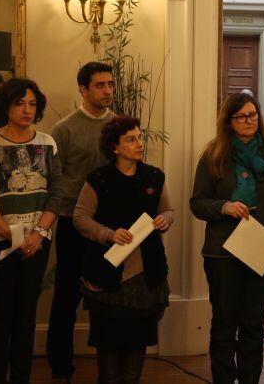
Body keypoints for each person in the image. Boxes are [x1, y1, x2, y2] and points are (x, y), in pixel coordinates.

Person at [190, 93, 264, 384]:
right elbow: (197, 203)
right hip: (223, 255)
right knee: (224, 325)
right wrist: (224, 206)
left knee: (253, 326)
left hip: (262, 251)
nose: (249, 121)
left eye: (253, 115)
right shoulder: (214, 155)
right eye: (242, 117)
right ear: (229, 121)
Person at [0, 78, 63, 383]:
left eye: (32, 104)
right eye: (19, 103)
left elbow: (58, 193)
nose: (27, 110)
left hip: (37, 242)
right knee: (0, 318)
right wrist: (14, 235)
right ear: (6, 106)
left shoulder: (48, 142)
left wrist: (37, 234)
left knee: (25, 319)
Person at [73, 115, 174, 384]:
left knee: (136, 345)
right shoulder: (99, 179)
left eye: (140, 137)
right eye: (131, 139)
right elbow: (80, 218)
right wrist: (108, 234)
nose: (138, 143)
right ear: (114, 147)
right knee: (109, 348)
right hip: (108, 276)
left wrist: (166, 220)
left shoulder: (154, 176)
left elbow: (168, 209)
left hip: (146, 275)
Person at [47, 61, 116, 383]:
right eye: (100, 85)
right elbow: (55, 181)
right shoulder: (64, 129)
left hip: (110, 225)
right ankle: (61, 370)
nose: (107, 91)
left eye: (110, 84)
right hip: (72, 224)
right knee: (66, 297)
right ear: (83, 89)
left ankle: (112, 367)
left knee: (110, 295)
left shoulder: (119, 126)